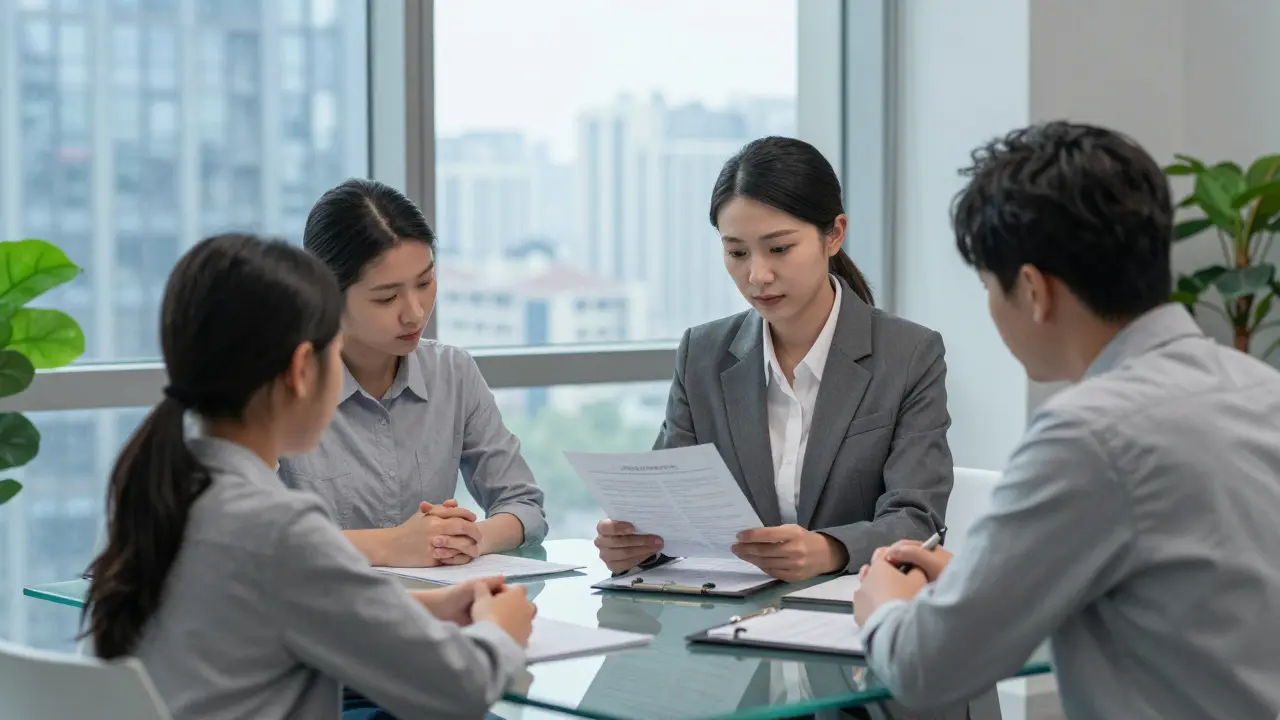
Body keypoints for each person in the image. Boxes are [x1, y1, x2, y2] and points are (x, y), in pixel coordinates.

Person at [853, 121, 1280, 719]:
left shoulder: (1089, 434)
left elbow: (926, 668)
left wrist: (885, 607)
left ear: (1033, 290)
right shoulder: (1258, 386)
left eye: (986, 286)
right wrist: (980, 583)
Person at [82, 234, 537, 719]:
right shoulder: (277, 527)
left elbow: (273, 614)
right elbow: (460, 688)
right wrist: (500, 631)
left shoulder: (167, 491)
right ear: (303, 368)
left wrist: (430, 608)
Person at [595, 136, 953, 582]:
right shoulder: (701, 355)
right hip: (730, 622)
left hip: (857, 612)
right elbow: (670, 507)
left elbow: (917, 519)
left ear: (834, 234)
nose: (757, 275)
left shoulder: (908, 355)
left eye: (779, 248)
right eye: (737, 252)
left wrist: (831, 550)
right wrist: (635, 545)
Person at [279, 179, 546, 568]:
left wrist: (468, 538)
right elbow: (246, 535)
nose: (415, 312)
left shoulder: (452, 372)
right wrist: (393, 544)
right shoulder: (274, 388)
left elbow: (524, 506)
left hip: (433, 614)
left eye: (425, 282)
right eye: (387, 297)